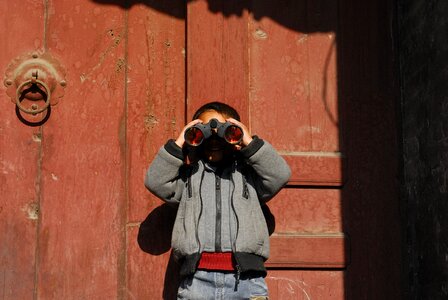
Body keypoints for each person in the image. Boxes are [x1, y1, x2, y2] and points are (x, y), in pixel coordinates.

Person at [145, 102, 291, 299]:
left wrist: (249, 142)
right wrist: (180, 142)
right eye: (204, 132)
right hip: (197, 281)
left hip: (247, 281)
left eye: (224, 132)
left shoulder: (249, 177)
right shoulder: (189, 178)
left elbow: (279, 174)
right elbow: (155, 181)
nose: (214, 140)